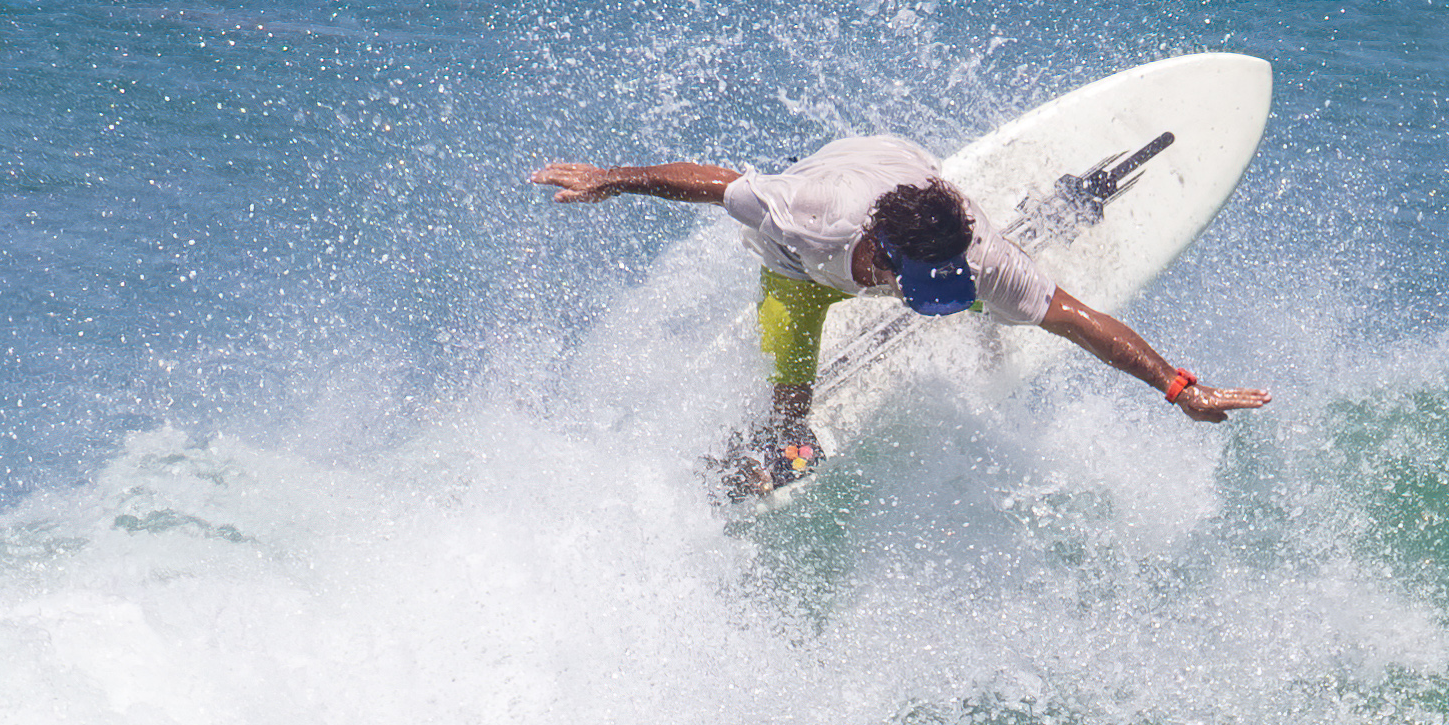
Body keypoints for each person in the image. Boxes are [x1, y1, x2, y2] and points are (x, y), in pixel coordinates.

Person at [532, 133, 1269, 492]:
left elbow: (1076, 319)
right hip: (803, 261)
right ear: (883, 255)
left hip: (900, 168)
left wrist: (1180, 389)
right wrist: (612, 179)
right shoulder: (801, 215)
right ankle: (787, 442)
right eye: (919, 281)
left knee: (1007, 299)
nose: (937, 287)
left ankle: (991, 316)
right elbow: (713, 182)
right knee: (790, 370)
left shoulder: (978, 257)